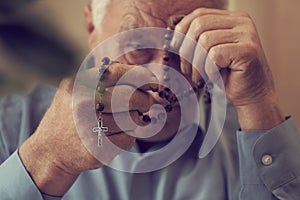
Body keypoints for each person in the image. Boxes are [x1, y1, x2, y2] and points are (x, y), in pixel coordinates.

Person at [1, 0, 300, 199]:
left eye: (187, 46)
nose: (161, 76)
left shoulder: (254, 140)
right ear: (92, 26)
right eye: (138, 45)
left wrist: (259, 101)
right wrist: (48, 161)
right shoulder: (9, 128)